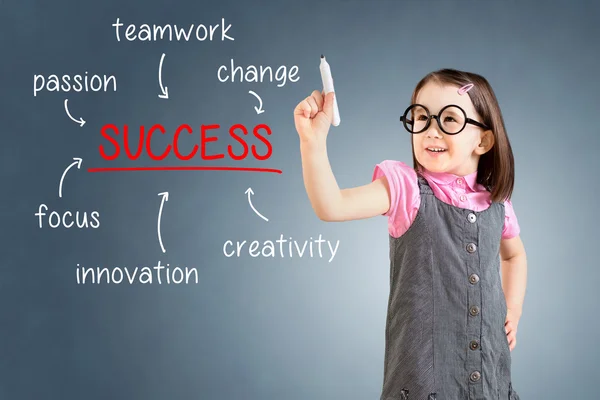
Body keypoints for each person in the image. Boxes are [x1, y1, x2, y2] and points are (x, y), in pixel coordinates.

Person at [293, 68, 527, 400]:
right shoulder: (405, 188)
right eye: (421, 118)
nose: (431, 130)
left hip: (491, 380)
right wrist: (311, 142)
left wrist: (513, 310)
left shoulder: (497, 203)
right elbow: (332, 205)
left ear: (483, 140)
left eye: (449, 120)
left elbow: (514, 255)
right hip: (423, 384)